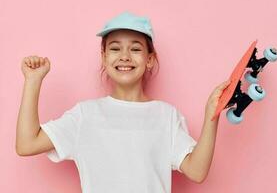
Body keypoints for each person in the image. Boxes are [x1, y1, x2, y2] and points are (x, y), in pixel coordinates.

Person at [16, 11, 230, 193]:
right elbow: (27, 144)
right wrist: (33, 81)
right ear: (104, 56)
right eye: (115, 48)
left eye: (135, 49)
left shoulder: (166, 116)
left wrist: (212, 115)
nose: (125, 56)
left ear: (150, 59)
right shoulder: (85, 115)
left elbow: (197, 170)